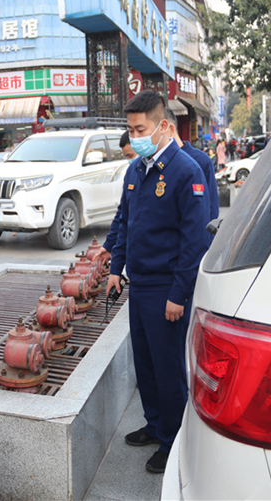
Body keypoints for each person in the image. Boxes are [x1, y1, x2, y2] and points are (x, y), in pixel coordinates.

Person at [107, 90, 210, 474]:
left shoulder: (186, 171)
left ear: (163, 126)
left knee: (168, 368)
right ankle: (154, 424)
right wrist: (116, 268)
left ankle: (173, 439)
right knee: (146, 363)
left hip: (167, 288)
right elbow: (123, 222)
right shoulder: (136, 170)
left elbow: (195, 239)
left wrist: (179, 294)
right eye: (130, 129)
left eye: (140, 129)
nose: (134, 136)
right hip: (139, 285)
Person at [165, 109, 220, 242]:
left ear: (169, 129)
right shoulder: (156, 162)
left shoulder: (201, 160)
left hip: (195, 243)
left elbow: (211, 209)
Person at [92, 131, 138, 261]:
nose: (129, 161)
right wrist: (109, 246)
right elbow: (123, 214)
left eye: (131, 156)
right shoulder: (132, 172)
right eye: (126, 157)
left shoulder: (183, 168)